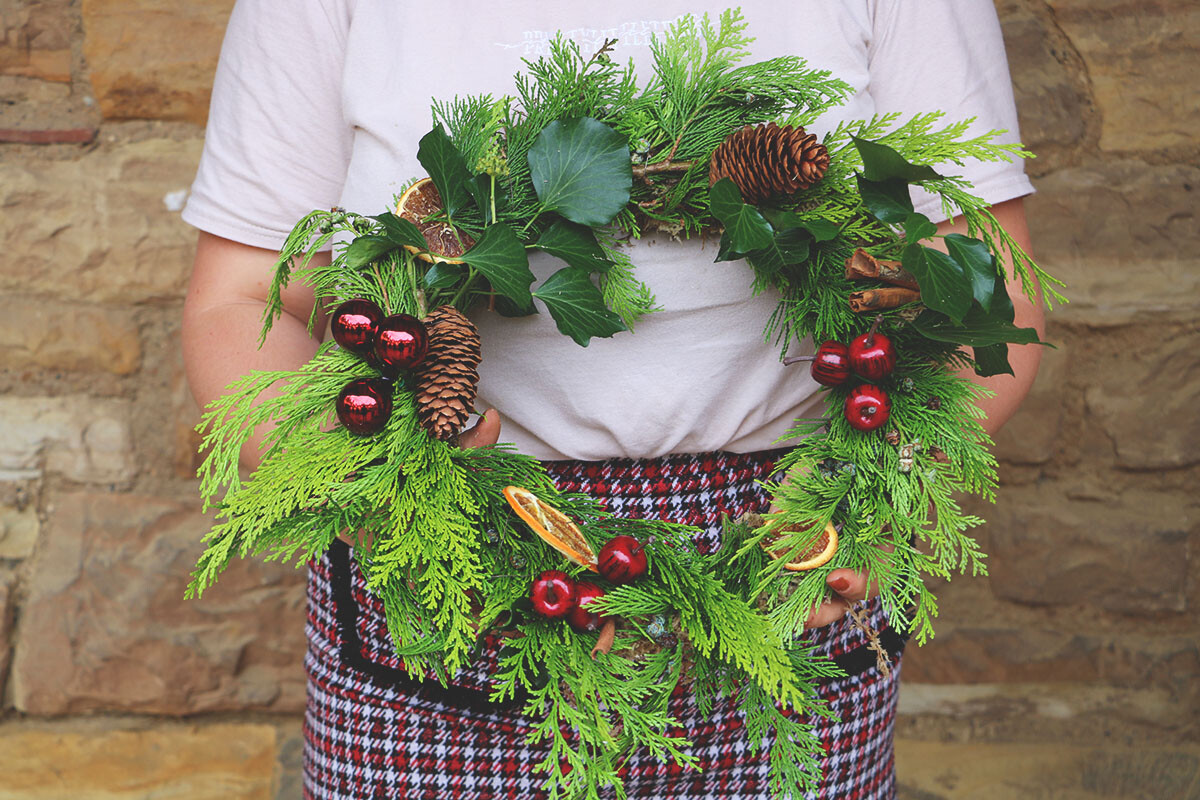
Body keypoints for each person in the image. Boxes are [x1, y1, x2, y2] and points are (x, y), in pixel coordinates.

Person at [181, 1, 1042, 797]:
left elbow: (984, 277)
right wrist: (372, 490)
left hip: (786, 547)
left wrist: (872, 490)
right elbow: (246, 297)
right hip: (450, 550)